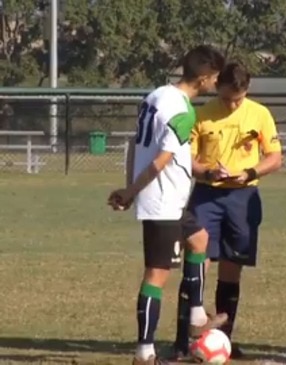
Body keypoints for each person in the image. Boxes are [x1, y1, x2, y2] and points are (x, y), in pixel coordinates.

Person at [107, 45, 228, 365]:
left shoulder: (155, 96)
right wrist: (132, 190)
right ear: (204, 77)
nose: (217, 82)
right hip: (163, 201)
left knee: (200, 239)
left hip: (171, 198)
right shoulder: (183, 111)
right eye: (215, 77)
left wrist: (129, 185)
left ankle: (197, 316)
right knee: (156, 275)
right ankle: (144, 353)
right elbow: (161, 160)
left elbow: (135, 144)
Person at [172, 62, 283, 360]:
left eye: (239, 98)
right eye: (226, 97)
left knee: (232, 269)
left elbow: (275, 157)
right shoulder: (201, 114)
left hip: (243, 198)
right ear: (217, 87)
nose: (233, 104)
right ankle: (182, 341)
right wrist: (207, 173)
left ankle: (223, 339)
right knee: (197, 264)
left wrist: (249, 172)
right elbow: (187, 158)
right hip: (207, 196)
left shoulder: (259, 114)